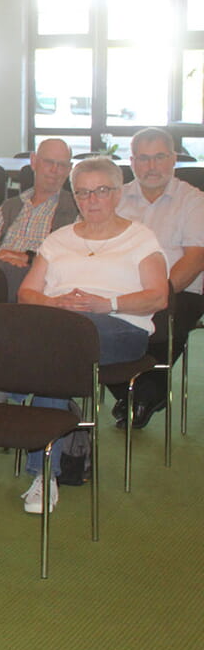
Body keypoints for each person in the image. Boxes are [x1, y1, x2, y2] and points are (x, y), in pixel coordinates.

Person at [17, 156, 169, 513]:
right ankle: (45, 474)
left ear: (117, 193)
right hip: (62, 329)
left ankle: (42, 468)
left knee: (55, 351)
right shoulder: (59, 239)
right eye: (83, 193)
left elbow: (158, 296)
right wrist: (57, 303)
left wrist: (107, 303)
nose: (92, 200)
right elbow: (27, 293)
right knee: (57, 355)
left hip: (122, 326)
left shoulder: (140, 238)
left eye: (101, 191)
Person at [113, 127, 204, 429]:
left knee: (158, 325)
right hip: (121, 288)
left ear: (174, 159)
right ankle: (144, 393)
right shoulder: (117, 197)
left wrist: (159, 293)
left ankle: (141, 392)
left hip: (178, 290)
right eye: (144, 158)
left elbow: (195, 258)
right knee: (89, 326)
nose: (152, 167)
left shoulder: (193, 200)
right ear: (132, 161)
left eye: (160, 157)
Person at [0, 138, 77, 301]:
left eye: (62, 165)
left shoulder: (75, 209)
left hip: (41, 282)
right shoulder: (10, 206)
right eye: (49, 162)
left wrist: (30, 258)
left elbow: (75, 258)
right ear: (34, 162)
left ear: (69, 170)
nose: (55, 170)